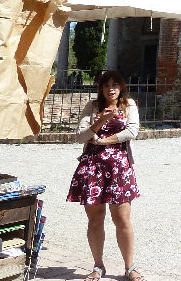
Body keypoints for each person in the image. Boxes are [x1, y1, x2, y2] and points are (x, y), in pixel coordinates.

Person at [67, 70, 144, 281]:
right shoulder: (91, 107)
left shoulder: (128, 105)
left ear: (121, 88)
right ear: (101, 88)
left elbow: (132, 131)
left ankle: (130, 267)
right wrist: (101, 121)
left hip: (119, 168)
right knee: (95, 219)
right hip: (92, 168)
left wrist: (102, 141)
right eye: (106, 85)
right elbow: (80, 136)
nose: (111, 88)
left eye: (115, 85)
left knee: (122, 219)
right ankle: (98, 266)